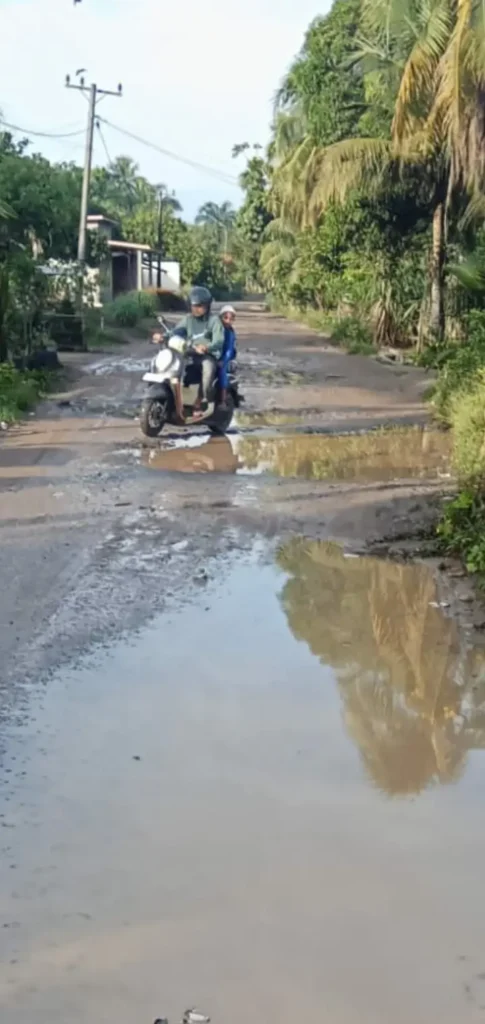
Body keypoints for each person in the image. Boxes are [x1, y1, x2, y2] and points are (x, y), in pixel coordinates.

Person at [169, 286, 224, 420]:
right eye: (193, 306)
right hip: (190, 351)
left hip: (207, 355)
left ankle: (202, 401)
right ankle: (173, 399)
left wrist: (207, 347)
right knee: (172, 366)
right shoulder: (188, 319)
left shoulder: (214, 321)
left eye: (199, 306)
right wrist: (163, 336)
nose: (196, 309)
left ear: (207, 306)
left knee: (207, 370)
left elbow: (219, 340)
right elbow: (176, 331)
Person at [218, 305, 237, 409]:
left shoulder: (230, 333)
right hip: (213, 354)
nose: (228, 321)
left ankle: (223, 400)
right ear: (221, 318)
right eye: (225, 318)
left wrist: (223, 361)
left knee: (221, 372)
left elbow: (229, 350)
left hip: (225, 357)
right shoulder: (216, 329)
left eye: (231, 319)